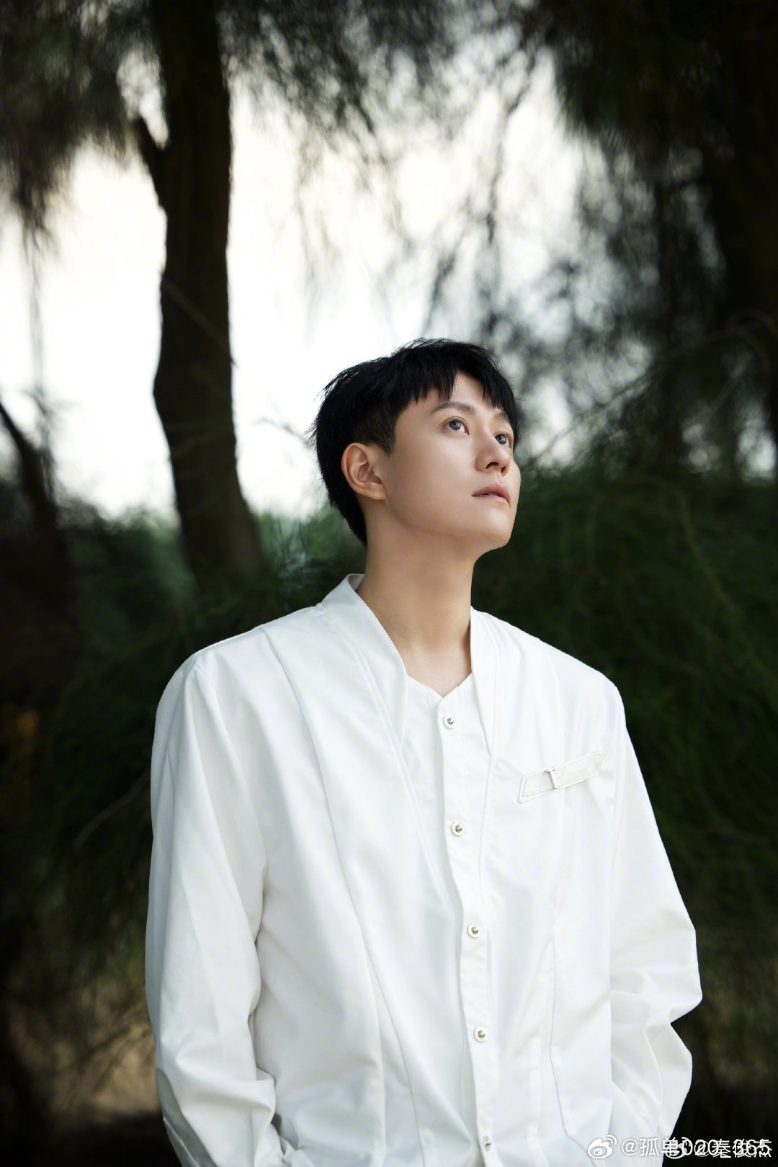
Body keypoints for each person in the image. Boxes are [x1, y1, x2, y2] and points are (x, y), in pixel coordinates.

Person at [145, 338, 702, 1167]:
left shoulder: (580, 703)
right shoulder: (236, 696)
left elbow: (645, 977)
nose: (497, 454)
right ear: (366, 469)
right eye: (455, 425)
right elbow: (201, 1020)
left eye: (505, 435)